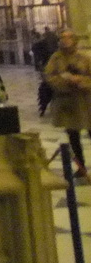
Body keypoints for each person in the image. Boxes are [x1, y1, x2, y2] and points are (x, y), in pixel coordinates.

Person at [45, 29, 91, 177]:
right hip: (67, 102)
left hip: (85, 100)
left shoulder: (84, 57)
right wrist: (65, 82)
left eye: (68, 37)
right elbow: (49, 76)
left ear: (74, 40)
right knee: (73, 135)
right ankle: (81, 166)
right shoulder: (56, 58)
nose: (65, 40)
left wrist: (81, 81)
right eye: (62, 37)